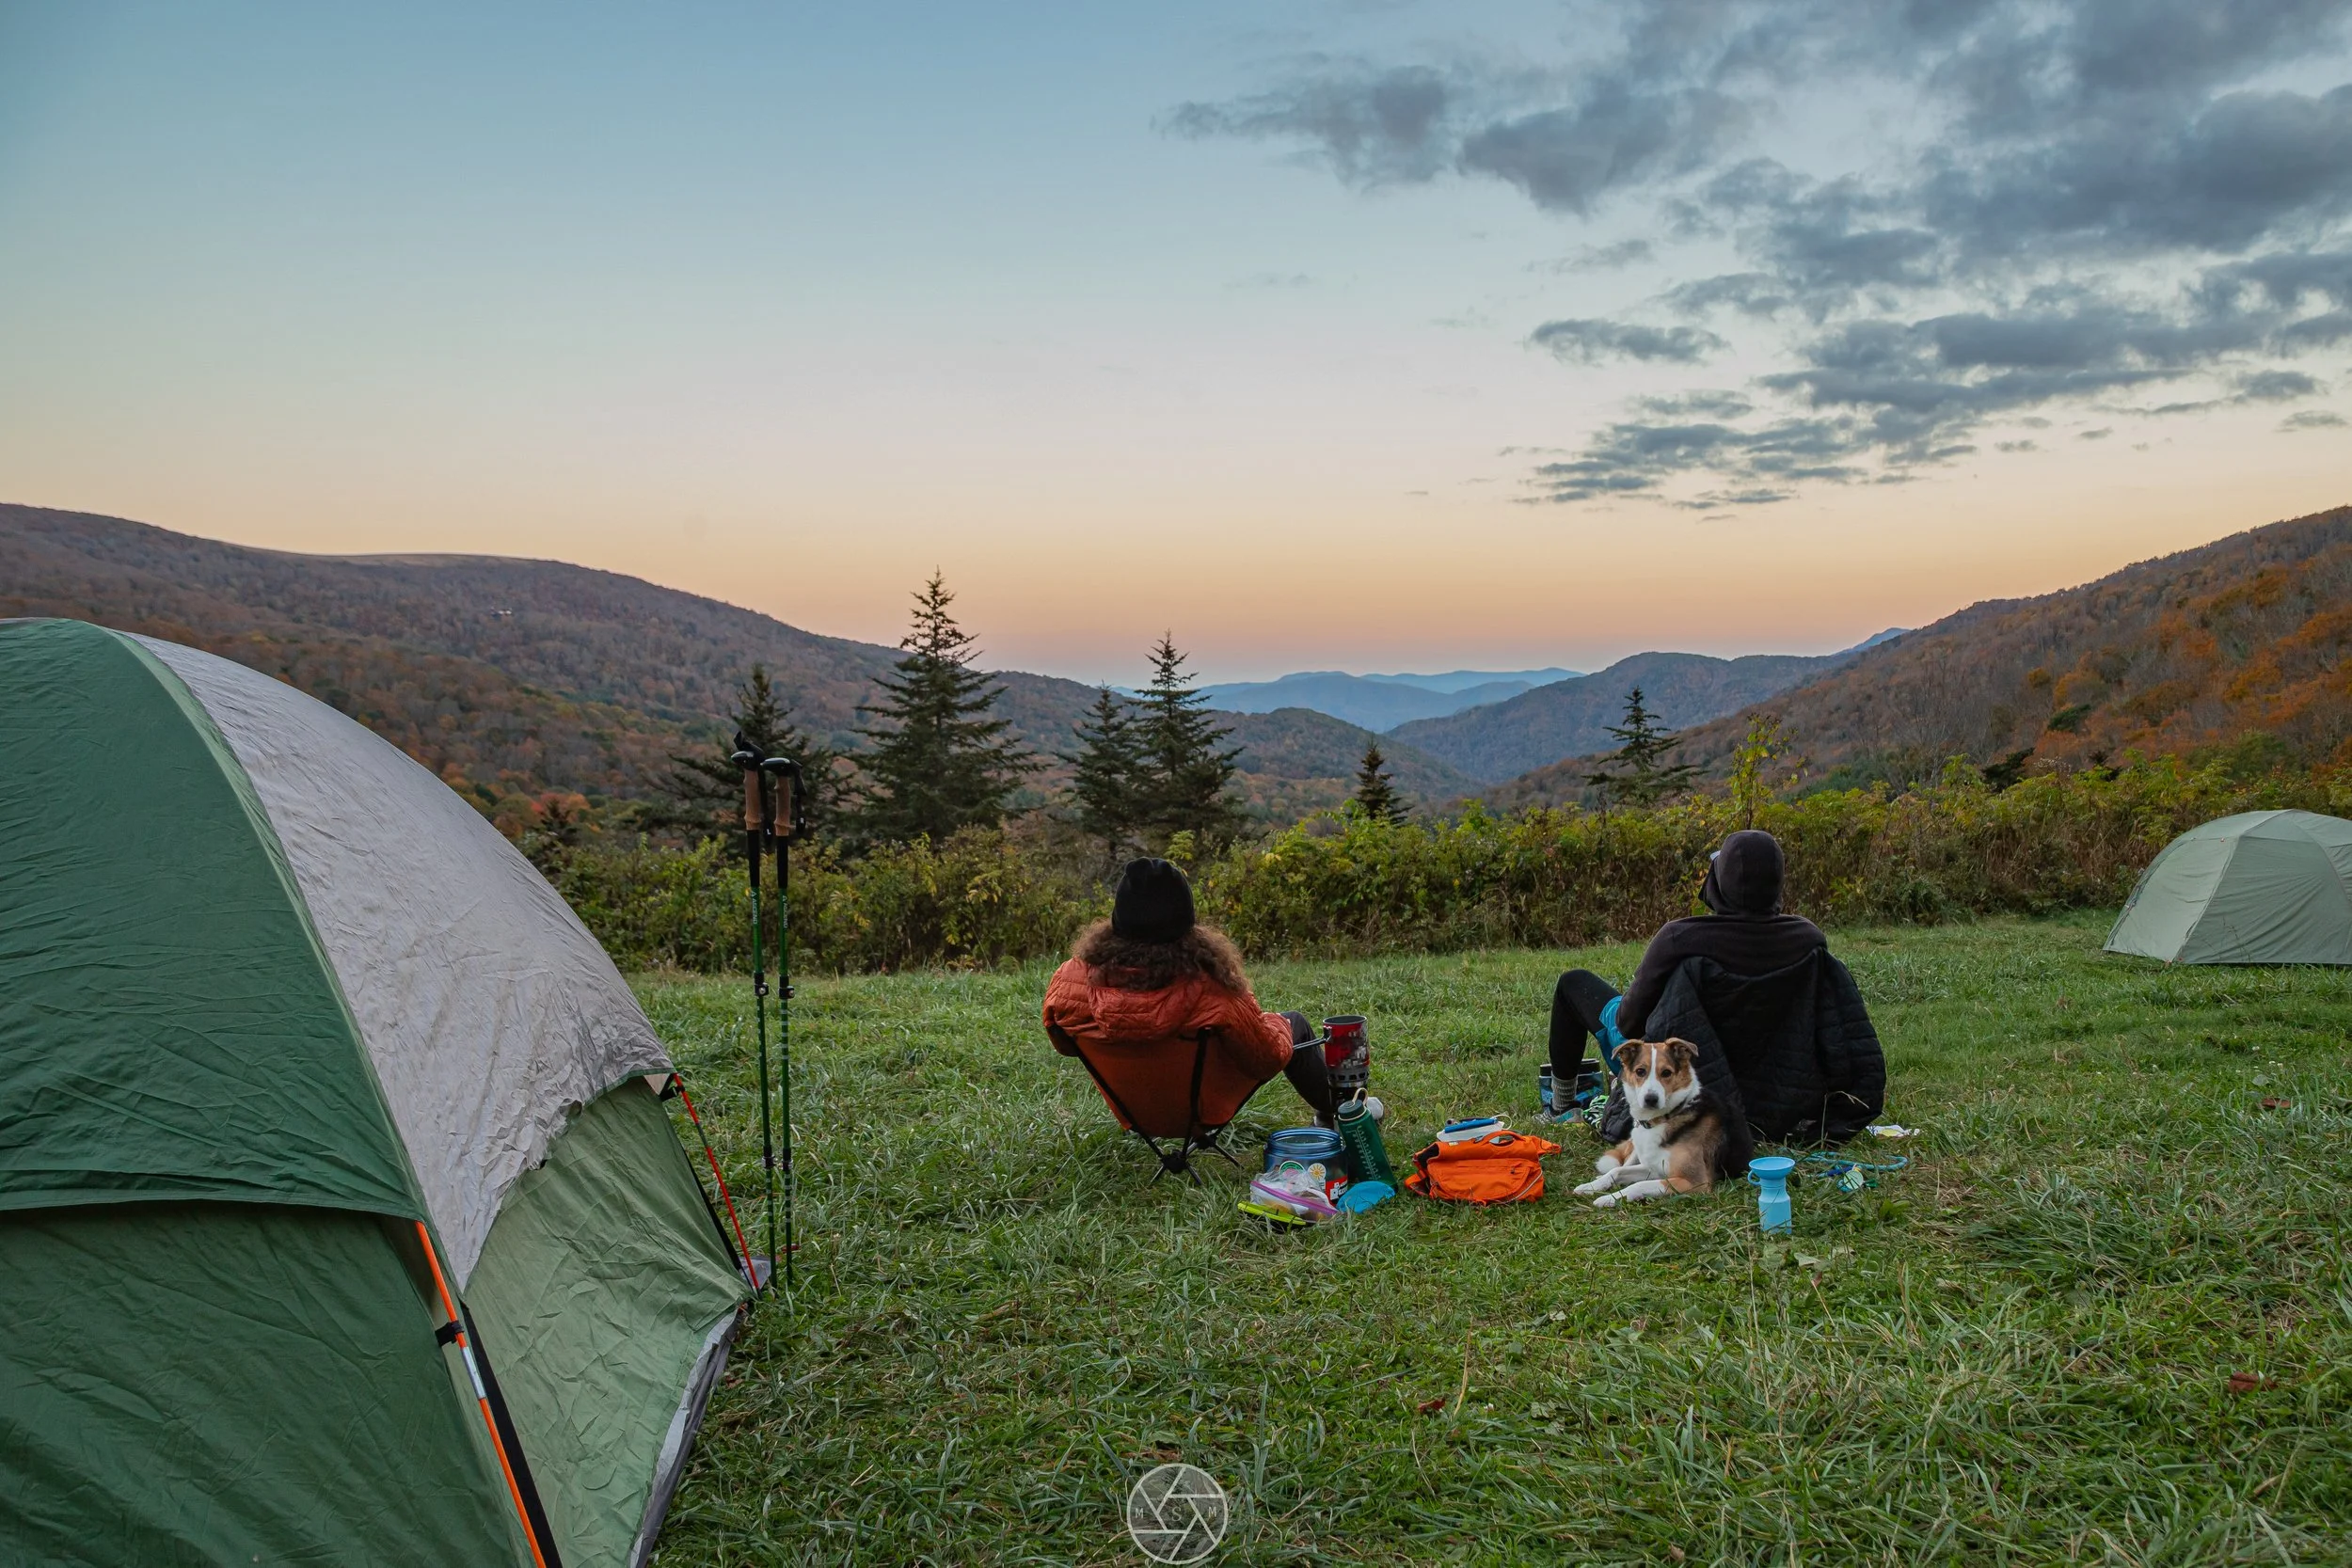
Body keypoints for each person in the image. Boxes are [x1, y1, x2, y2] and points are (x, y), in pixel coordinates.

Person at [1044, 858, 1336, 1138]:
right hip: (1203, 1111)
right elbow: (1266, 1060)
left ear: (1119, 919)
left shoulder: (1069, 979)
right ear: (1186, 921)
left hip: (1134, 1114)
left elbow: (1066, 1046)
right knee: (1293, 1023)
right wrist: (1276, 1024)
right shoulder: (1212, 986)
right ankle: (1337, 1113)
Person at [1546, 830, 1826, 1106]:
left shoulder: (1680, 938)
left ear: (1720, 881)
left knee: (1574, 983)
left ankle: (1562, 1106)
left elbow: (1629, 1024)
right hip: (1778, 1081)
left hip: (1685, 1074)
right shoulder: (1808, 939)